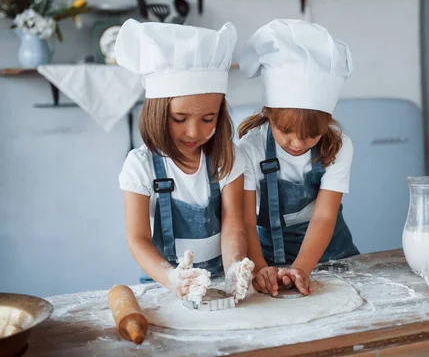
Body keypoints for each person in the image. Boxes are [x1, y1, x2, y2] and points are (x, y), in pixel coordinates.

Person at [116, 19, 249, 299]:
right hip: (163, 285)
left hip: (218, 279)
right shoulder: (140, 166)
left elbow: (233, 225)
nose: (193, 132)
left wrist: (235, 269)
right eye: (179, 119)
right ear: (157, 112)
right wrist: (171, 278)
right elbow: (137, 239)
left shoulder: (228, 158)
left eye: (208, 119)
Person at [237, 19, 359, 296]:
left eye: (311, 134)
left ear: (326, 123)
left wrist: (302, 268)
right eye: (286, 131)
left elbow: (324, 217)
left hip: (331, 254)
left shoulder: (338, 146)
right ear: (270, 115)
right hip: (267, 255)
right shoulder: (250, 148)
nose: (297, 143)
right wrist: (259, 267)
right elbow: (245, 220)